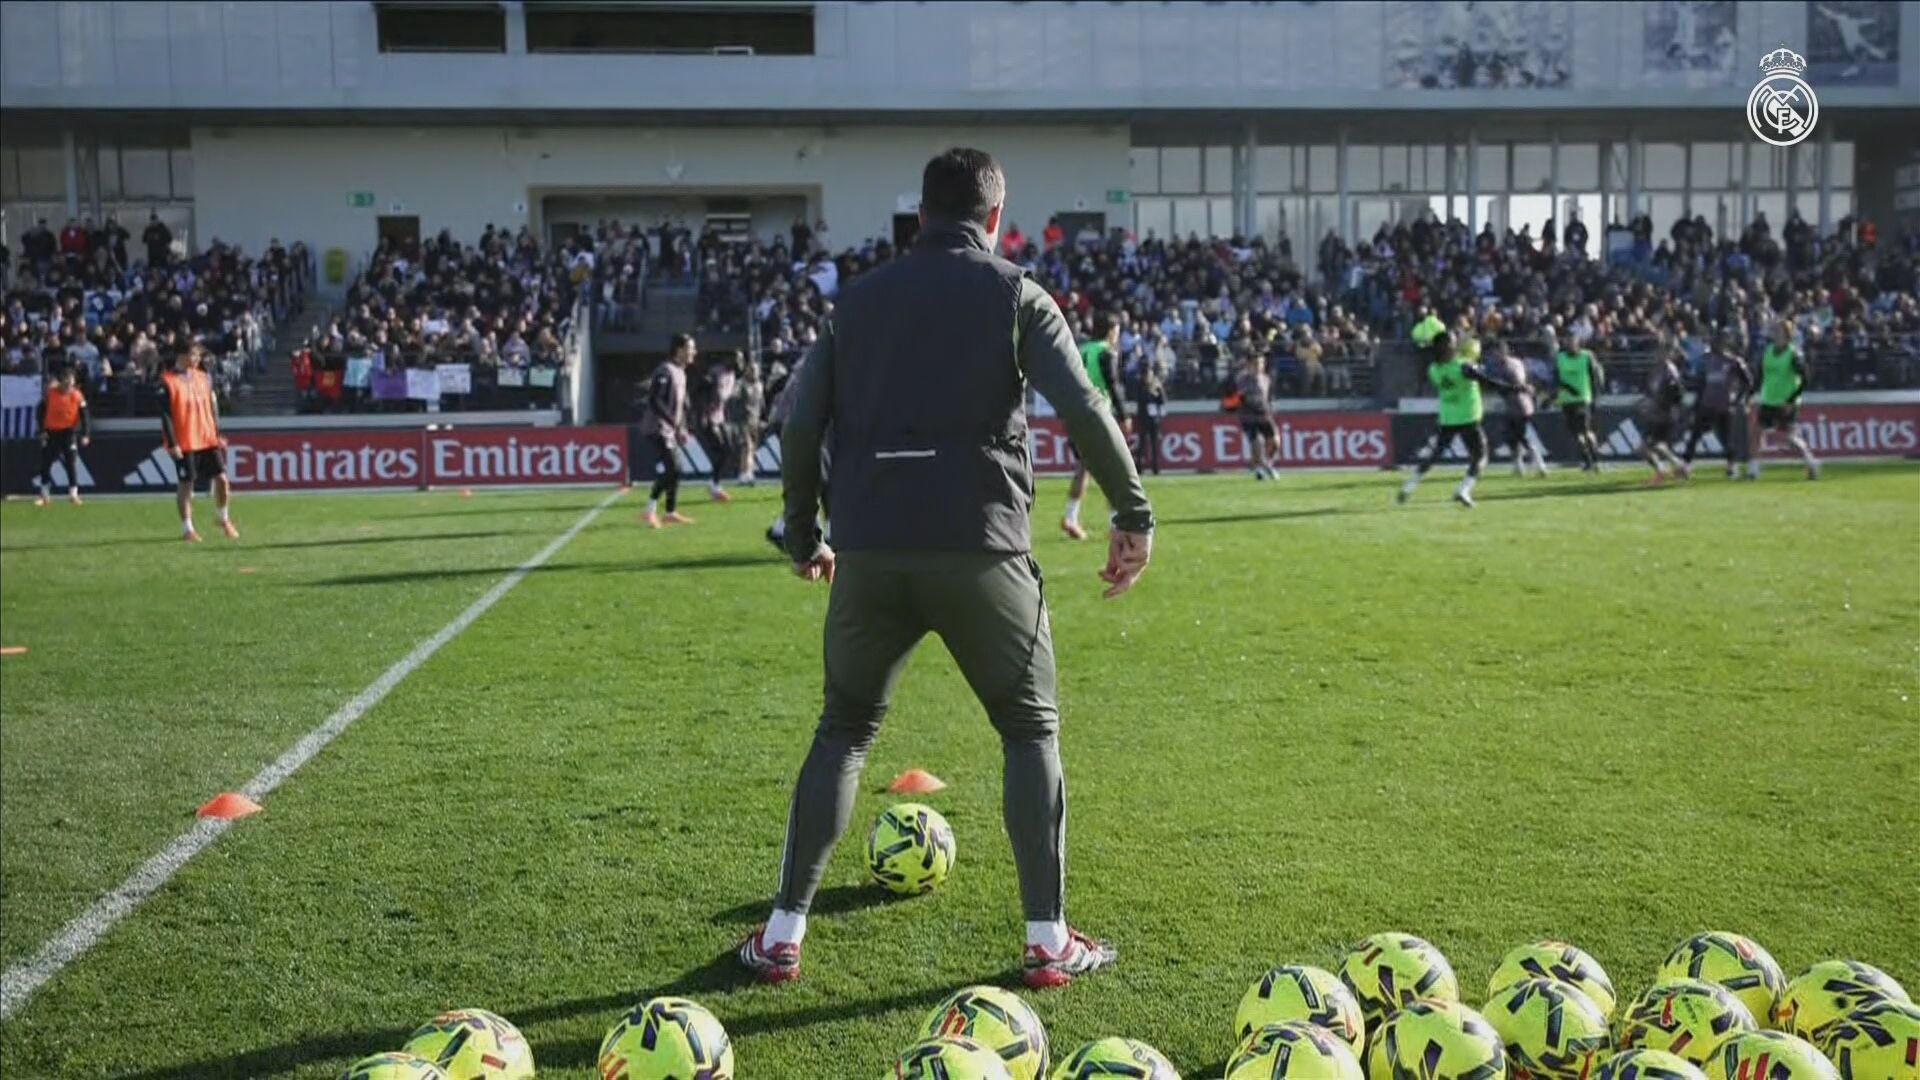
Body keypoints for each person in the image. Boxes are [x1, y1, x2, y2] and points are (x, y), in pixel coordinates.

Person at [740, 147, 1153, 989]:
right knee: (1029, 732)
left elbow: (801, 421)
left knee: (844, 732)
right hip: (984, 550)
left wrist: (801, 529)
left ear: (919, 216)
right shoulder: (1017, 294)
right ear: (996, 218)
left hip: (872, 552)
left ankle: (783, 932)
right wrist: (1131, 512)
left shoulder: (854, 302)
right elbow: (1083, 407)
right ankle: (1046, 941)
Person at [1398, 329, 1519, 508]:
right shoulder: (1463, 366)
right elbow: (1487, 382)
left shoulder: (1433, 369)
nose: (1457, 344)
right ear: (1447, 346)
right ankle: (1464, 489)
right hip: (1468, 417)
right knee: (1481, 456)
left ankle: (1410, 485)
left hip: (1448, 417)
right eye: (1454, 342)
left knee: (1435, 454)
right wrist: (1513, 388)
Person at [159, 342, 238, 542]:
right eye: (194, 354)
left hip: (207, 437)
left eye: (198, 355)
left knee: (222, 479)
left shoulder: (204, 378)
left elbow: (211, 409)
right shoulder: (168, 381)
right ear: (182, 355)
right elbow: (166, 416)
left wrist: (217, 433)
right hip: (185, 440)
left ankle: (223, 517)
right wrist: (172, 442)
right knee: (187, 484)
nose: (197, 359)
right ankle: (188, 528)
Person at [1061, 313, 1128, 540]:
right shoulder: (1106, 352)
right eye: (1117, 330)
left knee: (1085, 466)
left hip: (1076, 412)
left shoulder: (1081, 350)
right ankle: (1115, 522)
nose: (1117, 335)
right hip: (1098, 413)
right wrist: (1124, 414)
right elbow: (1113, 383)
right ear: (1111, 331)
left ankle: (1071, 516)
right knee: (1111, 466)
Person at [1750, 319, 1820, 480]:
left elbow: (1806, 379)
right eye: (1774, 330)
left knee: (1790, 438)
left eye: (1778, 331)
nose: (1774, 333)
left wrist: (1791, 400)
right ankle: (1753, 471)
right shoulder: (1767, 351)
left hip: (1786, 402)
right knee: (1756, 433)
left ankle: (1811, 462)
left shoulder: (1794, 354)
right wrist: (1753, 393)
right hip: (1768, 399)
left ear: (1786, 335)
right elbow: (1761, 374)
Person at [639, 333, 697, 528]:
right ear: (680, 350)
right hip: (657, 428)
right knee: (675, 468)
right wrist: (675, 425)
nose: (694, 352)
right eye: (691, 348)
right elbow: (655, 401)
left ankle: (670, 512)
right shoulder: (665, 370)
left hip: (669, 429)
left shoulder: (681, 372)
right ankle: (649, 511)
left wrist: (683, 426)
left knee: (676, 469)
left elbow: (681, 405)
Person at [1682, 329, 1754, 479]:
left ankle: (1731, 466)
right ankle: (1686, 466)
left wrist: (1739, 399)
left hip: (1724, 406)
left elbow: (1748, 381)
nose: (1716, 345)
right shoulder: (1706, 360)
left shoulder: (1733, 361)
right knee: (1694, 435)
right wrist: (1696, 404)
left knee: (1726, 438)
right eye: (1715, 341)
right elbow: (1700, 383)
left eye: (1720, 341)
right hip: (1706, 404)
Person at [1487, 338, 1547, 478]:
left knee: (1521, 436)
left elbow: (1519, 384)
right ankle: (1518, 466)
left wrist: (1503, 386)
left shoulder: (1512, 365)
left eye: (1499, 351)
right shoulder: (1500, 366)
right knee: (1511, 437)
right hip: (1511, 405)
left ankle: (1539, 464)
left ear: (1505, 351)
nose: (1496, 354)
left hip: (1520, 404)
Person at [35, 367, 91, 506]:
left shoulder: (77, 396)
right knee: (46, 463)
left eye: (71, 384)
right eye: (66, 384)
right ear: (61, 382)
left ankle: (73, 494)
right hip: (51, 432)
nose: (69, 387)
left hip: (68, 432)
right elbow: (40, 412)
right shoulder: (51, 394)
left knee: (71, 463)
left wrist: (85, 433)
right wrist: (42, 430)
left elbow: (85, 416)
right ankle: (45, 495)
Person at [1637, 345, 1688, 484]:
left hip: (1664, 414)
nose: (1657, 354)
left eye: (1661, 351)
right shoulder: (1656, 370)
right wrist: (1646, 402)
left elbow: (1678, 393)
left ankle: (1668, 469)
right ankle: (1672, 467)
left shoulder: (1669, 370)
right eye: (1657, 351)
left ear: (1668, 353)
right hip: (1656, 413)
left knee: (1648, 447)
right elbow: (1651, 391)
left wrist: (1666, 406)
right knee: (1653, 446)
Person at [1554, 333, 1605, 471]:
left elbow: (1595, 376)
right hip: (1567, 400)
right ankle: (1587, 461)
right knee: (1577, 435)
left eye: (1573, 342)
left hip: (1583, 399)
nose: (1570, 345)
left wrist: (1595, 395)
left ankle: (1596, 460)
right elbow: (1556, 378)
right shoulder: (1561, 357)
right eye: (1568, 342)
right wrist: (1560, 393)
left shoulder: (1587, 356)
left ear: (1578, 343)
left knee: (1586, 431)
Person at [1235, 355, 1279, 480]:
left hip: (1264, 414)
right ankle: (1264, 469)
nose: (1259, 366)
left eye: (1261, 363)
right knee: (1257, 445)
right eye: (1256, 364)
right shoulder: (1242, 380)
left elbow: (1269, 396)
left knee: (1275, 442)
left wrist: (1271, 405)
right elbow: (1237, 397)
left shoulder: (1266, 379)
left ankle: (1265, 465)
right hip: (1248, 416)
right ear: (1249, 365)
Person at [733, 354, 765, 486]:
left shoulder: (759, 385)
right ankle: (744, 474)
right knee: (747, 446)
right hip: (743, 420)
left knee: (751, 449)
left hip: (755, 419)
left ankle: (748, 473)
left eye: (756, 370)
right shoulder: (741, 384)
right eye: (751, 369)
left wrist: (763, 418)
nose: (754, 372)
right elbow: (733, 401)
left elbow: (761, 404)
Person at [1134, 360, 1166, 476]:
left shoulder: (1157, 386)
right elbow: (1141, 400)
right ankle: (1138, 467)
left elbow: (1162, 401)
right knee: (1142, 443)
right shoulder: (1140, 386)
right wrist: (1150, 392)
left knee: (1154, 444)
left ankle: (1155, 467)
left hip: (1154, 419)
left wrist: (1157, 392)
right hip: (1143, 418)